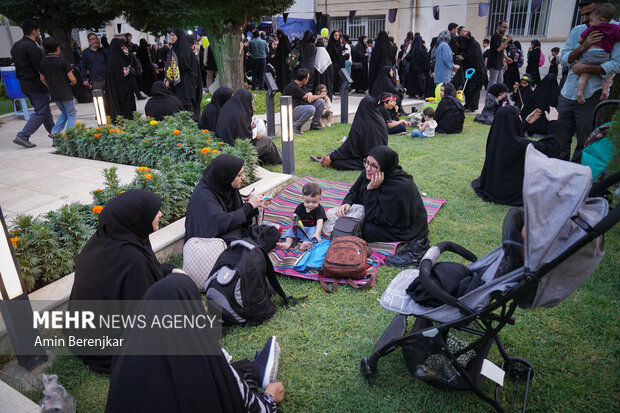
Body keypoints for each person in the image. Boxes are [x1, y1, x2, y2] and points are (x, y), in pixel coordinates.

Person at [104, 273, 284, 413]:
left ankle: (253, 369)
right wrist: (269, 397)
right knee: (225, 374)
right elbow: (248, 407)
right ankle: (257, 372)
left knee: (238, 370)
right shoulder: (201, 364)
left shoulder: (125, 355)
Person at [69, 190, 169, 373]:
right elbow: (148, 315)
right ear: (137, 218)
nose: (161, 214)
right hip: (109, 350)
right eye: (155, 211)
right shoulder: (130, 259)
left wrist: (170, 270)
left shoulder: (103, 241)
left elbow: (145, 272)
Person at [334, 146, 429, 267]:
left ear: (385, 166)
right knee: (351, 222)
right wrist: (347, 203)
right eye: (366, 162)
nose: (368, 168)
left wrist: (371, 190)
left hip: (401, 226)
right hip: (378, 215)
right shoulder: (368, 173)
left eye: (374, 165)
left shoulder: (400, 186)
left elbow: (379, 218)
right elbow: (354, 192)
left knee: (366, 230)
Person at [557, 0, 619, 163]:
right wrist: (583, 47)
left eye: (588, 14)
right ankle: (558, 176)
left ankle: (577, 178)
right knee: (560, 139)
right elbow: (564, 59)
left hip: (592, 95)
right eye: (582, 14)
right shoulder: (578, 30)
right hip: (568, 93)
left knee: (585, 142)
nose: (585, 19)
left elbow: (617, 64)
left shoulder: (615, 30)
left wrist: (583, 67)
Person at [471, 105, 561, 206]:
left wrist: (526, 123)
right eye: (518, 116)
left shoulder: (496, 138)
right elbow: (552, 146)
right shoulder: (520, 145)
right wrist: (553, 122)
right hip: (509, 193)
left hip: (493, 186)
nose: (520, 117)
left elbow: (510, 134)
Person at [185, 154, 278, 244]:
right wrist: (249, 206)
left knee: (272, 232)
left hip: (234, 232)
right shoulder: (204, 196)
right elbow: (221, 223)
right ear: (225, 175)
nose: (243, 177)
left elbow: (238, 217)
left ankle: (248, 251)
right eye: (239, 175)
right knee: (236, 243)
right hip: (215, 240)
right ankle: (247, 252)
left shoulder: (227, 186)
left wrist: (256, 204)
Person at [312, 96, 388, 170]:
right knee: (339, 154)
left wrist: (332, 157)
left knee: (337, 163)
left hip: (369, 160)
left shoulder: (361, 123)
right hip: (381, 158)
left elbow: (350, 146)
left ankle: (330, 156)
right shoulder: (379, 120)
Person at [11, 19, 54, 148]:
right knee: (41, 111)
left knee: (45, 110)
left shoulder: (16, 46)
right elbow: (40, 68)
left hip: (24, 83)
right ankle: (23, 136)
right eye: (39, 31)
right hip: (36, 83)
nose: (39, 34)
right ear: (34, 31)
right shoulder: (31, 47)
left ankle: (56, 135)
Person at [215, 89, 282, 164]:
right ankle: (281, 159)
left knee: (264, 141)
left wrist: (250, 126)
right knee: (266, 141)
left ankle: (279, 158)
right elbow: (245, 139)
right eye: (251, 103)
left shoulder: (228, 107)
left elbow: (237, 130)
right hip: (237, 152)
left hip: (225, 145)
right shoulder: (240, 114)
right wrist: (254, 129)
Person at [575, 3, 620, 103]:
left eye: (591, 20)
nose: (589, 22)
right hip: (604, 56)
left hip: (590, 55)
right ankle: (605, 92)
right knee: (606, 76)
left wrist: (584, 42)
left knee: (584, 75)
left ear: (600, 20)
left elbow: (579, 40)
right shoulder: (615, 28)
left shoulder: (593, 28)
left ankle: (579, 93)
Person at [38, 37, 77, 137]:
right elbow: (72, 79)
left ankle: (54, 131)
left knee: (64, 112)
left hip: (54, 92)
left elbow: (42, 79)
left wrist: (50, 86)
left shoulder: (43, 62)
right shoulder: (63, 62)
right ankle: (70, 135)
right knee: (71, 114)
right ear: (57, 48)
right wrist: (73, 82)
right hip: (65, 92)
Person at [277, 182, 326, 251]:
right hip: (301, 227)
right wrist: (294, 217)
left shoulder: (319, 210)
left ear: (320, 199)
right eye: (307, 202)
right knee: (291, 231)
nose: (311, 204)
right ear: (302, 198)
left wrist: (317, 232)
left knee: (313, 235)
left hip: (312, 227)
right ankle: (288, 243)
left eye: (314, 202)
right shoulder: (300, 207)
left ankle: (305, 244)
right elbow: (295, 215)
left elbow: (320, 222)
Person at [167, 28, 201, 120]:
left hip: (185, 81)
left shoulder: (184, 49)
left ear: (179, 36)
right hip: (178, 80)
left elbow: (185, 65)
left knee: (186, 103)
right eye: (171, 35)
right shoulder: (175, 47)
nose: (171, 37)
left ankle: (189, 123)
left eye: (173, 35)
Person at [282, 68, 325, 134]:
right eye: (307, 78)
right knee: (311, 109)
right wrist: (322, 96)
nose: (308, 80)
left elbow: (309, 97)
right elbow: (308, 97)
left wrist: (310, 94)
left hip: (301, 108)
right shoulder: (293, 87)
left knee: (321, 102)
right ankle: (296, 127)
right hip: (292, 112)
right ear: (304, 79)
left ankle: (314, 125)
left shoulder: (302, 85)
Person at [106, 38, 136, 123]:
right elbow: (113, 73)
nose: (123, 47)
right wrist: (123, 73)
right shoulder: (112, 59)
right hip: (118, 88)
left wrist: (128, 55)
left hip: (125, 86)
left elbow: (131, 64)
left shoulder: (121, 56)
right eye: (121, 46)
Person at [458, 33, 487, 112]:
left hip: (477, 71)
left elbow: (473, 57)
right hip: (470, 71)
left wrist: (463, 57)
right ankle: (468, 104)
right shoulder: (470, 45)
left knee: (474, 89)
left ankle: (472, 106)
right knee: (467, 89)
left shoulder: (474, 45)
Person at [487, 20, 512, 87]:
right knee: (493, 81)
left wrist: (506, 57)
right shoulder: (495, 36)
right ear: (498, 27)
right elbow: (498, 49)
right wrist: (507, 40)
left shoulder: (500, 37)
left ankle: (497, 95)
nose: (505, 29)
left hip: (499, 63)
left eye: (506, 28)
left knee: (500, 82)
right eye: (504, 27)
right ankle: (489, 96)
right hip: (494, 63)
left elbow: (501, 49)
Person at [404, 34, 427, 99]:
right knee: (420, 82)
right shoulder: (422, 50)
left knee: (412, 81)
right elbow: (425, 58)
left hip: (412, 69)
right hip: (420, 70)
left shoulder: (412, 49)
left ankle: (412, 93)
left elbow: (407, 57)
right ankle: (421, 93)